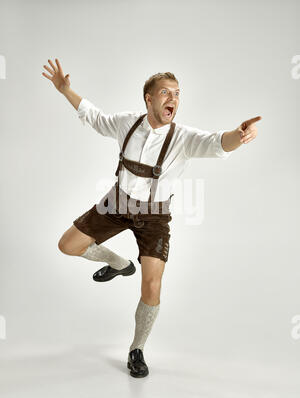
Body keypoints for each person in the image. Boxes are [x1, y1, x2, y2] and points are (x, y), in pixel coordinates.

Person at [42, 58, 262, 378]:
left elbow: (217, 142)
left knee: (152, 287)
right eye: (165, 92)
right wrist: (65, 90)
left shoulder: (183, 137)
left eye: (177, 93)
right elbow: (93, 116)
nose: (172, 98)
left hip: (155, 217)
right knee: (67, 245)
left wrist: (238, 135)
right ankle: (119, 264)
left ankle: (137, 349)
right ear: (149, 98)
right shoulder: (126, 123)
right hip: (115, 204)